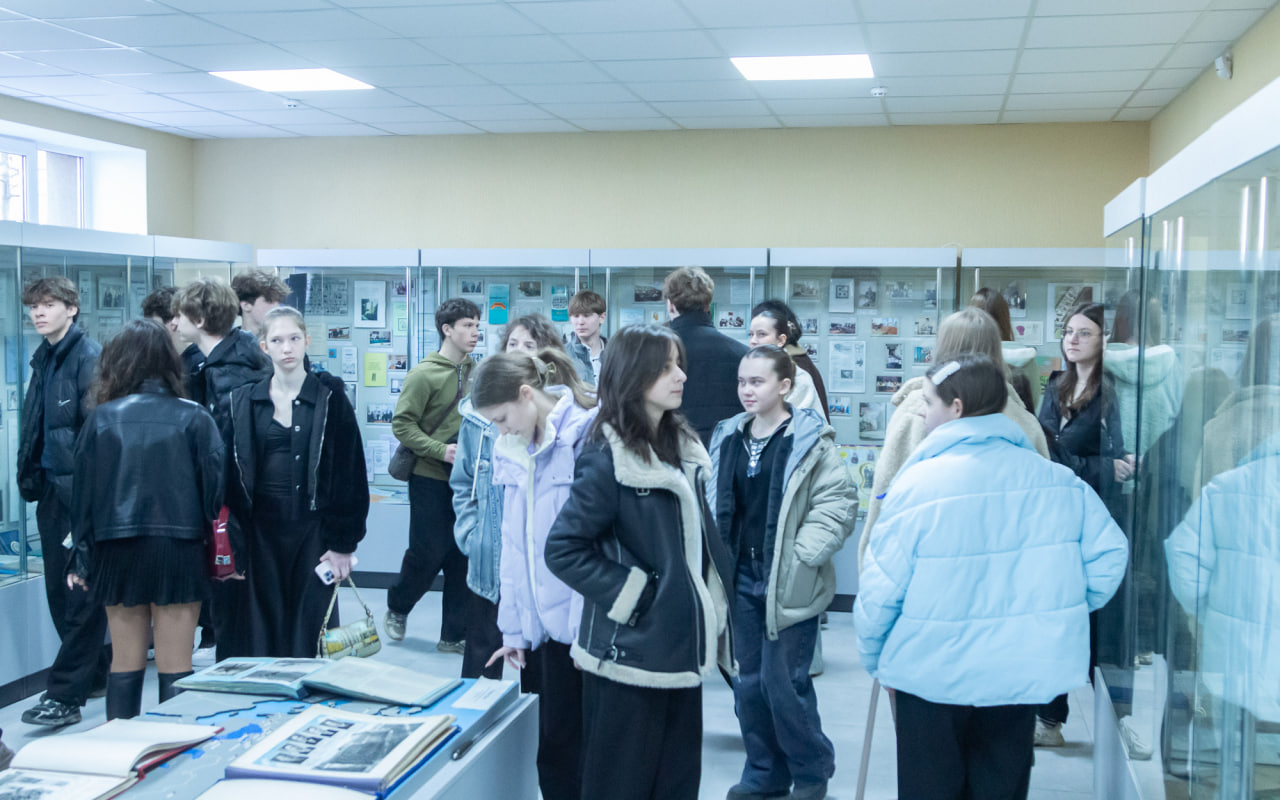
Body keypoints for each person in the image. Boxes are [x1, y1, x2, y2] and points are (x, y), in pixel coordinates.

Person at [856, 354, 1128, 800]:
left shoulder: (917, 486)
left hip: (928, 675)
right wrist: (1059, 608)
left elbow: (881, 587)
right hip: (1016, 674)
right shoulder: (1057, 482)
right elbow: (1110, 556)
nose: (921, 412)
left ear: (956, 407)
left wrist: (875, 657)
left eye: (928, 401)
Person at [545, 324, 735, 800]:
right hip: (627, 657)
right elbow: (563, 548)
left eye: (679, 364)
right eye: (667, 367)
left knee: (676, 785)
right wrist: (635, 594)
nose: (681, 376)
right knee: (620, 786)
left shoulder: (681, 447)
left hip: (681, 653)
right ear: (634, 374)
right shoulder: (606, 456)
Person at [708, 345, 855, 800]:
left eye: (757, 381)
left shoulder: (810, 441)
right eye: (742, 381)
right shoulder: (728, 435)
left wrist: (802, 556)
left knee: (784, 683)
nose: (746, 390)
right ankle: (764, 772)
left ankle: (811, 772)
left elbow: (838, 503)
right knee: (748, 682)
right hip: (740, 577)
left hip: (788, 578)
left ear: (785, 385)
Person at [67, 320, 225, 719]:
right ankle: (172, 745)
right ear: (169, 362)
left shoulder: (101, 419)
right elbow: (216, 494)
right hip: (180, 548)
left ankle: (122, 744)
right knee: (176, 663)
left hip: (116, 550)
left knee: (124, 661)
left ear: (116, 363)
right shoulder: (195, 417)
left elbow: (82, 498)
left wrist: (81, 558)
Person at [473, 348, 598, 800]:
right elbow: (513, 545)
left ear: (527, 394)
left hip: (580, 628)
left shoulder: (585, 435)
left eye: (503, 418)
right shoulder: (512, 448)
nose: (501, 430)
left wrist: (585, 631)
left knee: (587, 750)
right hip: (539, 629)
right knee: (552, 748)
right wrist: (514, 630)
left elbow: (594, 545)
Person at [226, 307, 369, 658]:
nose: (287, 348)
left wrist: (344, 543)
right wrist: (234, 541)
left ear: (306, 340)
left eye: (293, 338)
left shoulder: (329, 398)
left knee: (311, 625)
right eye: (277, 340)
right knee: (262, 626)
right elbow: (229, 477)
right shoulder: (244, 400)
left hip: (313, 532)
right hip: (261, 533)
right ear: (264, 346)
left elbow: (350, 472)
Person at [858, 308, 1049, 568]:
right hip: (1007, 567)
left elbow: (885, 499)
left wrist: (868, 566)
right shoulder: (1023, 421)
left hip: (930, 564)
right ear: (996, 350)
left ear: (942, 348)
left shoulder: (916, 413)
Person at [1036, 301, 1135, 749]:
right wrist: (1095, 465)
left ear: (1103, 341)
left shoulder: (1109, 393)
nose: (1072, 340)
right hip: (1055, 515)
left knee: (1100, 624)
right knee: (1057, 616)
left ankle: (1118, 720)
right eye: (1068, 332)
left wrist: (1091, 466)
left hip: (1094, 517)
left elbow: (1118, 463)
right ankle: (1050, 720)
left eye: (1084, 333)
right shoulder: (1054, 386)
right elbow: (1045, 450)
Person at [451, 314, 565, 680]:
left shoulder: (560, 422)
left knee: (537, 663)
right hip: (490, 554)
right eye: (512, 344)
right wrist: (472, 535)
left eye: (529, 346)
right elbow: (463, 481)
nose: (518, 351)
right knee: (483, 656)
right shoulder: (479, 415)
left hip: (540, 566)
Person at [17, 276, 107, 728]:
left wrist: (90, 499)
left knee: (79, 595)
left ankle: (66, 694)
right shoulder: (45, 358)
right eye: (34, 306)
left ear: (72, 308)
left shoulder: (88, 358)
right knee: (60, 591)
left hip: (81, 496)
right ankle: (95, 675)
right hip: (53, 490)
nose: (39, 312)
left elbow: (96, 432)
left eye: (49, 304)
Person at [174, 277, 272, 660]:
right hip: (237, 509)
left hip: (237, 511)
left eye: (181, 314)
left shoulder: (229, 371)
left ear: (199, 320)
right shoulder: (217, 362)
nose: (175, 322)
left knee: (235, 608)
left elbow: (233, 452)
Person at [385, 299, 480, 650]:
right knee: (427, 553)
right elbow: (402, 425)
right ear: (447, 329)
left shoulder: (479, 372)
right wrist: (442, 450)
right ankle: (398, 606)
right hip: (429, 477)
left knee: (462, 556)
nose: (475, 332)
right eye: (468, 325)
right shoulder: (423, 374)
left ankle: (453, 635)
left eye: (477, 325)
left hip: (468, 481)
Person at [663, 267, 748, 445]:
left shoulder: (656, 353)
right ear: (708, 304)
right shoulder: (743, 354)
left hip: (672, 449)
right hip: (728, 451)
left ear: (670, 305)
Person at [747, 302, 828, 419]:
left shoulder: (795, 370)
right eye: (750, 334)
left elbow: (795, 423)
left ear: (781, 339)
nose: (753, 341)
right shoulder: (765, 365)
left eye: (762, 334)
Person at [969, 288, 1040, 413]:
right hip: (1019, 422)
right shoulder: (1026, 357)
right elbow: (1033, 401)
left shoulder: (968, 357)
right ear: (1005, 318)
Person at [231, 269, 290, 340]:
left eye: (278, 301)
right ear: (246, 305)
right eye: (270, 301)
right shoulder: (226, 345)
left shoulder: (287, 342)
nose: (277, 307)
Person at [565, 290, 608, 385]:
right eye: (576, 316)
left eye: (587, 315)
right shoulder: (562, 355)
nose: (580, 322)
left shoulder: (617, 354)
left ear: (602, 318)